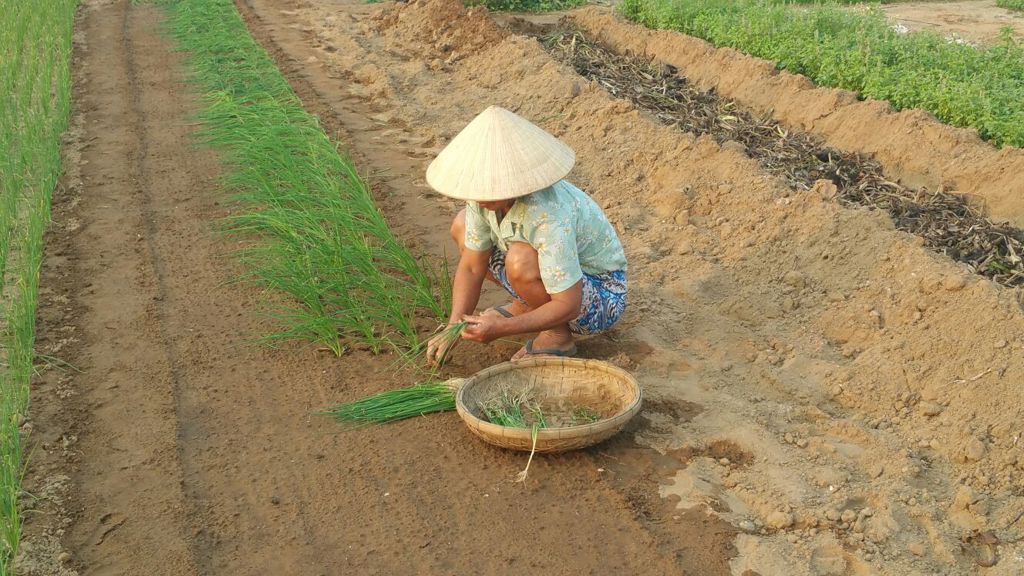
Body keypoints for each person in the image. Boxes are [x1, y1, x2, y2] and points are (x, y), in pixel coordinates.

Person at [424, 106, 627, 365]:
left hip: (598, 295)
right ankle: (529, 304)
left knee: (520, 260)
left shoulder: (548, 215)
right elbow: (472, 267)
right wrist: (452, 328)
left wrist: (502, 329)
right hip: (557, 278)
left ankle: (557, 334)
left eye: (488, 189)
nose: (479, 197)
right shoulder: (482, 199)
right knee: (462, 225)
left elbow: (569, 303)